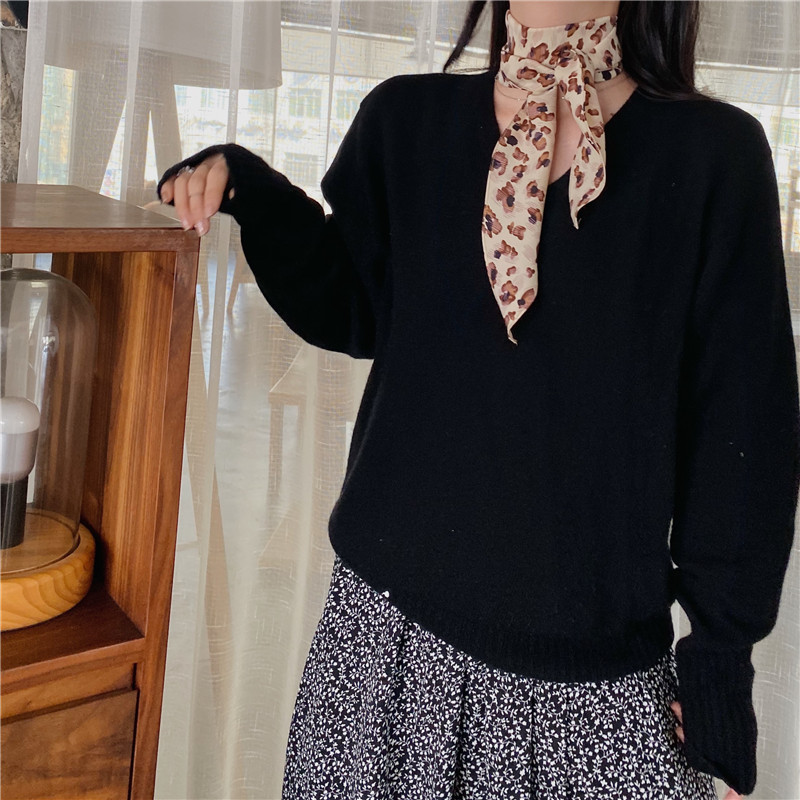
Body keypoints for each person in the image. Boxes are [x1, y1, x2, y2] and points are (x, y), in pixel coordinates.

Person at [157, 1, 800, 797]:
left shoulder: (713, 156)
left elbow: (744, 433)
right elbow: (351, 304)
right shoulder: (405, 121)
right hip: (382, 657)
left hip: (591, 687)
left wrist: (719, 663)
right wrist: (247, 188)